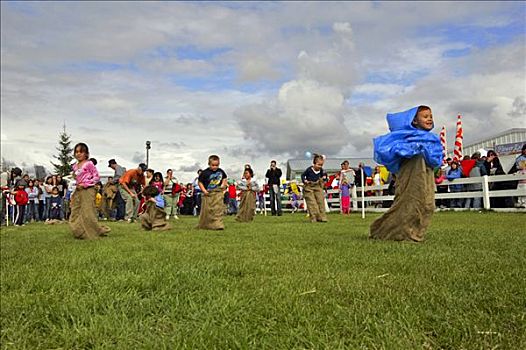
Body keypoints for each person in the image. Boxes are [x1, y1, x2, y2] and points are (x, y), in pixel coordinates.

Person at [369, 105, 442, 241]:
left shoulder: (432, 139)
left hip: (427, 176)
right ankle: (383, 231)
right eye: (425, 116)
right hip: (412, 176)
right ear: (414, 121)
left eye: (431, 116)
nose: (430, 119)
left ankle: (416, 232)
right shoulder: (406, 138)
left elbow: (435, 159)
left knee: (428, 205)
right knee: (410, 204)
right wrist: (412, 149)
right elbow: (394, 150)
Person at [69, 143, 110, 239]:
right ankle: (79, 231)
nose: (78, 154)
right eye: (76, 152)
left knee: (88, 212)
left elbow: (96, 177)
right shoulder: (74, 166)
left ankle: (93, 231)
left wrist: (86, 184)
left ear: (86, 154)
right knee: (75, 210)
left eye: (81, 152)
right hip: (78, 190)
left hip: (88, 189)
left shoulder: (89, 164)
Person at [197, 155, 228, 230]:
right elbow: (200, 182)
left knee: (218, 209)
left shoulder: (220, 171)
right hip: (208, 194)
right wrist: (204, 191)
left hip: (217, 193)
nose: (215, 167)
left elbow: (224, 178)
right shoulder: (205, 173)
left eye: (217, 165)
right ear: (209, 164)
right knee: (208, 210)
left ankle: (218, 224)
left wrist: (223, 185)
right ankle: (206, 224)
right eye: (213, 165)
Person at [301, 154, 327, 223]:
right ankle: (313, 217)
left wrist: (324, 178)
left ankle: (322, 217)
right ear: (314, 164)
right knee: (312, 203)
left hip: (317, 186)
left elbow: (324, 175)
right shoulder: (309, 170)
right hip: (309, 187)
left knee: (320, 201)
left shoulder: (321, 170)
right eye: (318, 165)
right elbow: (303, 175)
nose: (320, 167)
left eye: (321, 165)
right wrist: (305, 180)